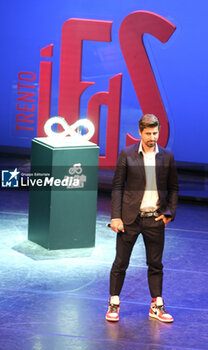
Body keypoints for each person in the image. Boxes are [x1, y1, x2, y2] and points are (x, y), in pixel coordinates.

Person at [105, 114, 178, 323]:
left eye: (155, 133)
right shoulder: (127, 154)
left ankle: (156, 305)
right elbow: (117, 187)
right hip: (130, 218)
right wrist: (116, 217)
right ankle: (114, 302)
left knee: (156, 264)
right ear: (140, 132)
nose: (152, 137)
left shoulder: (167, 157)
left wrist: (170, 213)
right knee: (121, 262)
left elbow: (173, 188)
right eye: (148, 133)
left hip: (155, 219)